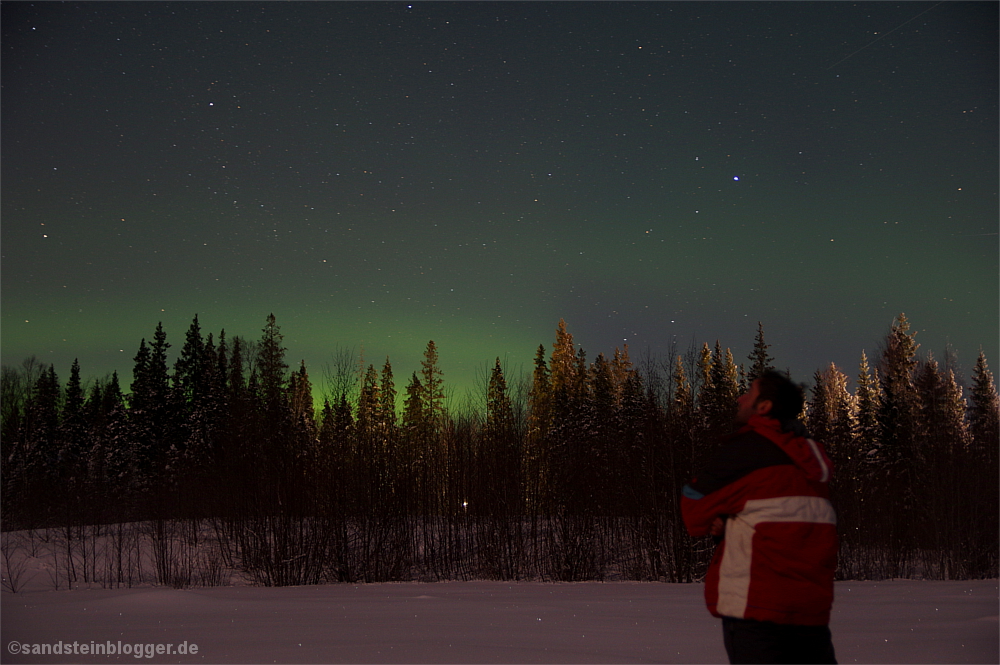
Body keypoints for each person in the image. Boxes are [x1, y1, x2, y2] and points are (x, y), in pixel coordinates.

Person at [681, 370, 838, 664]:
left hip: (758, 611)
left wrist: (721, 515)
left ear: (764, 407)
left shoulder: (747, 450)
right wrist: (733, 522)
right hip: (810, 613)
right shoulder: (811, 463)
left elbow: (694, 512)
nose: (740, 398)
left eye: (749, 393)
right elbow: (784, 521)